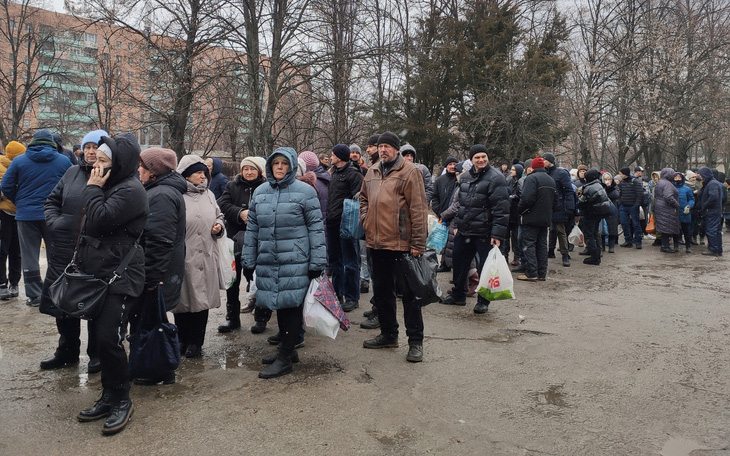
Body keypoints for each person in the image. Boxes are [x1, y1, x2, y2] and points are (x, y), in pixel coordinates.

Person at [75, 133, 148, 436]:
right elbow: (90, 222)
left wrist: (92, 188)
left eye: (103, 161)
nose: (95, 167)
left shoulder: (130, 190)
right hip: (100, 274)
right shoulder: (112, 185)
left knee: (109, 338)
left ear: (119, 164)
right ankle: (109, 395)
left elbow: (101, 219)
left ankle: (122, 399)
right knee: (101, 336)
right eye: (96, 160)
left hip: (121, 276)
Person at [242, 147, 326, 378]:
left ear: (291, 167)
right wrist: (248, 260)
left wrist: (317, 262)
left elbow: (316, 227)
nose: (279, 167)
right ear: (269, 166)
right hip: (269, 257)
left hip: (296, 258)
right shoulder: (260, 192)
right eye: (275, 163)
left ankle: (285, 356)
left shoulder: (305, 192)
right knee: (277, 302)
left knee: (290, 305)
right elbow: (253, 229)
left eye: (284, 164)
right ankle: (287, 351)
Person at [39, 129, 107, 373]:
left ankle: (97, 355)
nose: (90, 151)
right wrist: (55, 222)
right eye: (87, 146)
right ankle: (67, 351)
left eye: (96, 147)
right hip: (64, 252)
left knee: (95, 306)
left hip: (95, 254)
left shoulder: (112, 177)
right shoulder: (71, 173)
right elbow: (51, 201)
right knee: (64, 306)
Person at [360, 131, 428, 362]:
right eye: (381, 146)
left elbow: (418, 208)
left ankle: (415, 342)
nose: (383, 150)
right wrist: (366, 219)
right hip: (376, 243)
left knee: (410, 296)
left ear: (397, 149)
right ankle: (389, 334)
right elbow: (363, 198)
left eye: (388, 146)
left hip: (402, 244)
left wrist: (418, 242)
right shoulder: (372, 172)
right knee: (382, 293)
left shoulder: (410, 172)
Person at [131, 147, 187, 385]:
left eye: (142, 166)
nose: (139, 170)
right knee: (154, 321)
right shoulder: (160, 190)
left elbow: (159, 241)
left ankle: (158, 369)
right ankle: (159, 368)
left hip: (159, 272)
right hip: (163, 270)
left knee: (154, 324)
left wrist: (152, 278)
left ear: (153, 172)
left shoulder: (161, 195)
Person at [1, 129, 72, 306]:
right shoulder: (63, 161)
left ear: (33, 142)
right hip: (54, 215)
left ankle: (34, 296)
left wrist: (19, 201)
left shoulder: (19, 161)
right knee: (55, 255)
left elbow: (6, 185)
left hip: (26, 215)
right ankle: (55, 293)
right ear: (52, 143)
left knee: (29, 255)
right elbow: (73, 185)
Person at [441, 144, 509, 314]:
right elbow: (461, 205)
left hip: (485, 232)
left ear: (487, 158)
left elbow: (501, 209)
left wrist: (497, 234)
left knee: (485, 267)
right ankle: (458, 294)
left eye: (483, 157)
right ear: (471, 160)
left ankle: (483, 301)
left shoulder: (496, 178)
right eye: (477, 157)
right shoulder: (464, 178)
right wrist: (456, 225)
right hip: (464, 230)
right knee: (458, 261)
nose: (481, 160)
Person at [174, 155, 225, 358]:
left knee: (201, 301)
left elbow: (219, 215)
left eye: (204, 173)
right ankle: (181, 339)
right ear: (186, 175)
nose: (202, 176)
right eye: (198, 172)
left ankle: (196, 342)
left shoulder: (209, 195)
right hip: (184, 255)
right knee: (183, 300)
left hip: (206, 254)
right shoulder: (177, 195)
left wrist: (219, 226)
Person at [216, 156, 267, 333]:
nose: (249, 172)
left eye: (252, 169)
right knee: (233, 280)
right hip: (235, 239)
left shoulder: (266, 187)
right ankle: (232, 318)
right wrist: (240, 213)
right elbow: (223, 204)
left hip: (260, 239)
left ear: (259, 171)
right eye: (245, 169)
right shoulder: (232, 185)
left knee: (260, 278)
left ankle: (261, 318)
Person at [326, 144, 363, 312]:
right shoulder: (333, 174)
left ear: (339, 157)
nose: (330, 157)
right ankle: (337, 293)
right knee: (335, 261)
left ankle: (352, 297)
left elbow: (358, 199)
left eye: (332, 155)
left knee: (350, 261)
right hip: (332, 223)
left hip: (346, 224)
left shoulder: (353, 174)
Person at [515, 157, 555, 280]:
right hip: (545, 218)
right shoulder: (550, 180)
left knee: (529, 244)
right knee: (542, 245)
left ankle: (531, 272)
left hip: (531, 217)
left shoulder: (531, 179)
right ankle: (541, 273)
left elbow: (526, 199)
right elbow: (556, 200)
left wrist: (520, 211)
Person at [0, 141, 25, 300]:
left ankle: (3, 284)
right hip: (18, 213)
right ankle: (12, 283)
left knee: (4, 249)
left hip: (5, 213)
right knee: (16, 251)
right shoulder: (22, 166)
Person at [542, 153, 574, 267]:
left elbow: (569, 191)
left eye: (544, 159)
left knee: (560, 230)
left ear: (550, 161)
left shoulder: (561, 173)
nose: (542, 161)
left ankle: (565, 254)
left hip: (559, 206)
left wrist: (570, 207)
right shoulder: (544, 173)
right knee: (551, 230)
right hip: (548, 206)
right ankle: (550, 251)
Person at [576, 169, 611, 265]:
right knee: (595, 233)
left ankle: (594, 257)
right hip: (598, 213)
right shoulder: (599, 186)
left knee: (589, 235)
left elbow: (581, 202)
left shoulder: (588, 188)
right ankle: (597, 253)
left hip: (590, 214)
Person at [431, 156, 459, 273]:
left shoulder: (459, 180)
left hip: (455, 215)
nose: (452, 166)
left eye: (454, 164)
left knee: (453, 243)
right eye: (450, 164)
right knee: (442, 241)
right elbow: (435, 197)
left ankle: (454, 266)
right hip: (442, 215)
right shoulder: (440, 180)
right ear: (446, 167)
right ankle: (444, 264)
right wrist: (439, 212)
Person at [653, 168, 680, 253]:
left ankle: (665, 245)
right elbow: (668, 197)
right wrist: (676, 204)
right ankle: (665, 246)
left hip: (660, 206)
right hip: (666, 208)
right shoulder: (668, 184)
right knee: (667, 226)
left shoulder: (660, 182)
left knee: (664, 227)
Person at [617, 166, 645, 249]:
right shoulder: (621, 183)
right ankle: (628, 240)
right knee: (624, 223)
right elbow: (619, 193)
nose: (620, 175)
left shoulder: (635, 182)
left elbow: (640, 194)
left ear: (625, 174)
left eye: (621, 174)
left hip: (633, 206)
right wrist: (620, 202)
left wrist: (636, 205)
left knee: (636, 224)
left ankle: (638, 241)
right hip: (623, 206)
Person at [698, 167, 723, 256]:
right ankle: (718, 249)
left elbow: (713, 197)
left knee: (711, 230)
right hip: (715, 211)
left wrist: (705, 205)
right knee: (716, 231)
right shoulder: (713, 183)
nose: (700, 177)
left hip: (712, 211)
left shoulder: (712, 184)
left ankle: (713, 249)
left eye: (701, 175)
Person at [506, 163, 523, 266]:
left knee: (516, 237)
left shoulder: (521, 181)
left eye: (513, 170)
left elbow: (522, 195)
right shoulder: (508, 180)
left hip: (517, 212)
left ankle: (516, 257)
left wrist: (514, 197)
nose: (511, 171)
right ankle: (504, 255)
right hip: (508, 211)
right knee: (505, 236)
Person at [674, 172, 695, 253]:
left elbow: (691, 199)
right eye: (676, 177)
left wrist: (689, 206)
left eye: (679, 177)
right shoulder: (672, 188)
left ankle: (688, 246)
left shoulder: (687, 189)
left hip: (684, 212)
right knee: (675, 230)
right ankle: (676, 245)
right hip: (674, 212)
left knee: (686, 230)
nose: (677, 179)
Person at [602, 172, 620, 253]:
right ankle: (602, 246)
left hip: (612, 210)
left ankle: (611, 246)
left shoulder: (614, 187)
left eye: (609, 179)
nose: (607, 181)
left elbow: (616, 195)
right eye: (605, 179)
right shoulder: (600, 187)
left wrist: (609, 188)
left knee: (612, 228)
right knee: (602, 229)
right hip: (602, 210)